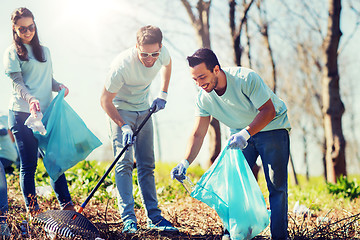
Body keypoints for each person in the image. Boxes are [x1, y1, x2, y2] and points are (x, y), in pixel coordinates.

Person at [171, 48, 291, 240]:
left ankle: (279, 236)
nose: (200, 84)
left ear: (216, 69)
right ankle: (236, 233)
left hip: (272, 128)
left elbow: (268, 111)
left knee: (276, 186)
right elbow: (198, 133)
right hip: (239, 136)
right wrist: (185, 162)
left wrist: (246, 133)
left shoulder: (245, 78)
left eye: (202, 77)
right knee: (232, 186)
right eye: (195, 80)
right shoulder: (203, 98)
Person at [100, 25, 177, 233]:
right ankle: (129, 220)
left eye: (154, 53)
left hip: (144, 109)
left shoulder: (162, 54)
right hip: (120, 110)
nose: (150, 59)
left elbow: (168, 65)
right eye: (144, 54)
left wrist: (163, 94)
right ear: (136, 47)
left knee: (147, 165)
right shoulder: (122, 65)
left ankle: (154, 218)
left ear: (160, 47)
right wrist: (123, 125)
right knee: (124, 164)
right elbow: (105, 101)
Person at [3, 7, 75, 216]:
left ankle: (67, 205)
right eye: (22, 29)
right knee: (29, 164)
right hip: (21, 114)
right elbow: (18, 83)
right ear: (15, 30)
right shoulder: (12, 53)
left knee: (53, 159)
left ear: (35, 25)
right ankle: (33, 210)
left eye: (31, 27)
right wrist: (31, 98)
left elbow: (47, 80)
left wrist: (59, 86)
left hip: (46, 113)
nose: (27, 32)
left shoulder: (45, 51)